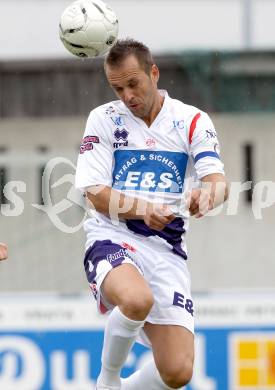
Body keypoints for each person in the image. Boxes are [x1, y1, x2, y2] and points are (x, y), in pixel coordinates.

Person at [75, 39, 228, 390]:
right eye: (118, 88)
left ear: (153, 73)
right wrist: (144, 210)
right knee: (136, 299)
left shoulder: (191, 120)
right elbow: (95, 193)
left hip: (166, 249)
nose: (127, 95)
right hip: (113, 237)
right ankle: (108, 381)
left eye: (134, 84)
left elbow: (218, 182)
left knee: (177, 372)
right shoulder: (104, 119)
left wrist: (207, 196)